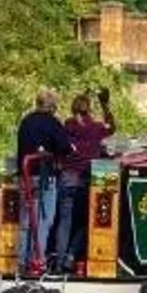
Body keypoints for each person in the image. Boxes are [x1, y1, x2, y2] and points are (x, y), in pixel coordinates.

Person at [54, 87, 117, 272]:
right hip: (85, 179)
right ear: (89, 109)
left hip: (66, 178)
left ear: (73, 108)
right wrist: (105, 105)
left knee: (64, 221)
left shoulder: (67, 125)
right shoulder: (96, 127)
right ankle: (71, 255)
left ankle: (58, 263)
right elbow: (112, 127)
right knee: (85, 221)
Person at [14, 89, 73, 276]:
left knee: (25, 221)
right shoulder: (53, 123)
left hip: (25, 177)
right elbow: (65, 147)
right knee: (44, 220)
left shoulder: (25, 122)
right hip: (45, 177)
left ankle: (21, 262)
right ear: (52, 106)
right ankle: (37, 262)